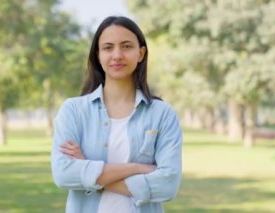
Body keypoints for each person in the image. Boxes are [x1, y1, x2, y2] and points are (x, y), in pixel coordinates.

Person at [51, 16, 182, 213]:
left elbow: (167, 186)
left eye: (127, 46)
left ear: (141, 53)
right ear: (98, 55)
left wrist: (87, 167)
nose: (117, 55)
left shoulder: (162, 114)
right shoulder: (73, 111)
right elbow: (63, 175)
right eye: (108, 47)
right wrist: (137, 168)